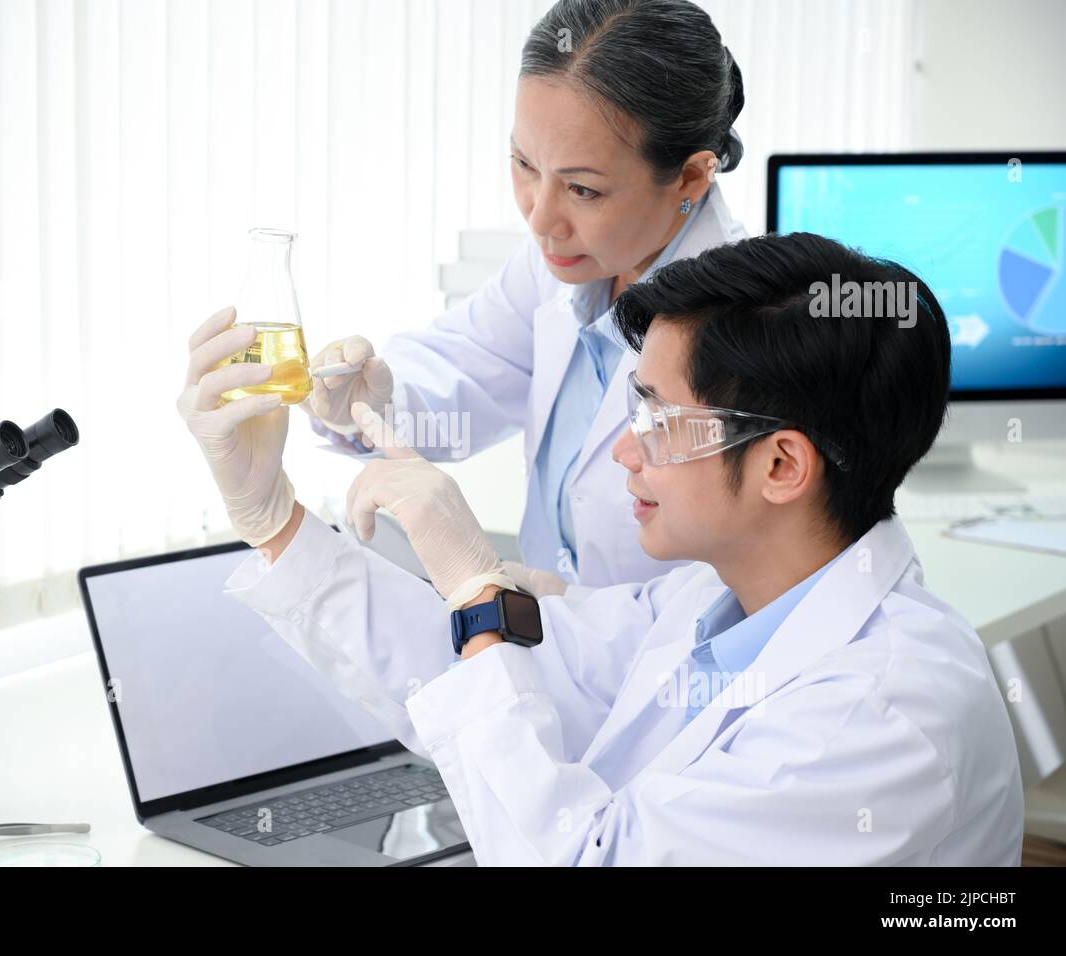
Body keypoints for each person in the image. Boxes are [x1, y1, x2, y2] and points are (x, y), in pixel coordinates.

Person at [176, 231, 1025, 865]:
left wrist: (476, 587)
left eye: (654, 419)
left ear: (779, 463)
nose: (624, 449)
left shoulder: (880, 715)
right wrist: (274, 519)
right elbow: (516, 678)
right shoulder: (715, 604)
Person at [302, 0, 748, 593]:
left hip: (664, 671)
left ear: (691, 177)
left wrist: (565, 616)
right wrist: (368, 407)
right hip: (546, 649)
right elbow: (464, 369)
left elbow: (735, 596)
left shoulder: (745, 328)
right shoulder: (564, 266)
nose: (541, 219)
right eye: (523, 163)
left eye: (584, 189)